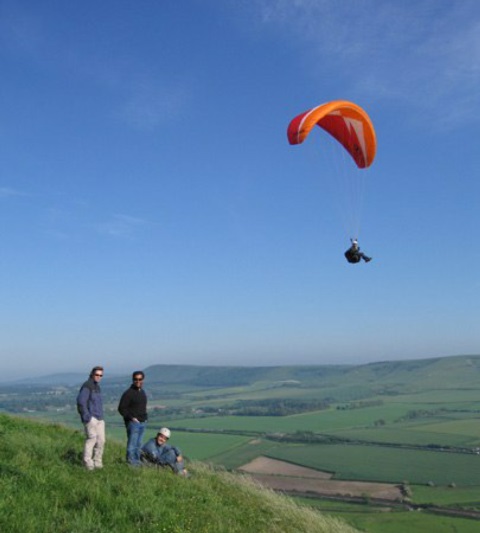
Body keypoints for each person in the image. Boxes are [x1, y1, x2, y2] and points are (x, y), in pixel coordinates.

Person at [76, 366, 105, 470]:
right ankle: (88, 463)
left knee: (101, 440)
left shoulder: (97, 387)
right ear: (92, 374)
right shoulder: (87, 386)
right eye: (97, 375)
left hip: (100, 418)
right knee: (92, 439)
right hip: (91, 419)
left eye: (101, 375)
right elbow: (81, 401)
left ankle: (97, 462)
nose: (99, 377)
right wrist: (87, 417)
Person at [118, 370, 148, 466]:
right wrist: (131, 418)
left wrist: (145, 418)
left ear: (143, 380)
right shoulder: (128, 393)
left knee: (138, 444)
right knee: (132, 445)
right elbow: (121, 408)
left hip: (143, 422)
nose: (138, 381)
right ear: (132, 380)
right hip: (133, 423)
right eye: (135, 379)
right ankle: (131, 463)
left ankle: (137, 462)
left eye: (140, 379)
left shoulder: (142, 392)